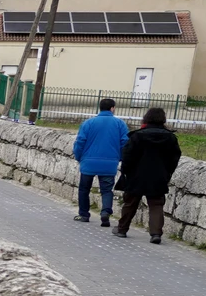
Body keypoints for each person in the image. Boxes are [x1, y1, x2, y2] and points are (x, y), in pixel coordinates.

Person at [113, 107, 183, 244]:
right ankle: (156, 233)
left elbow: (127, 156)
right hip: (158, 175)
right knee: (156, 204)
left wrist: (126, 171)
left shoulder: (137, 136)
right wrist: (167, 172)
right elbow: (174, 157)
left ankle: (122, 229)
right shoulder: (170, 137)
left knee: (130, 203)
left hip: (136, 175)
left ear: (146, 118)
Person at [72, 97, 127, 225]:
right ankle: (105, 212)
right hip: (109, 163)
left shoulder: (88, 123)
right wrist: (119, 157)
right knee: (107, 190)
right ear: (112, 108)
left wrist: (79, 157)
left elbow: (80, 142)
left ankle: (84, 214)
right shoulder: (120, 124)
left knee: (84, 189)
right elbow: (125, 142)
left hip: (88, 162)